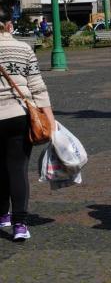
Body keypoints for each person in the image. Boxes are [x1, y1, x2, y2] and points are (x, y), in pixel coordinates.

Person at [0, 19, 55, 241]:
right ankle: (20, 224)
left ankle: (2, 214)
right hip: (19, 114)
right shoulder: (23, 48)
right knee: (18, 168)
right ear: (9, 25)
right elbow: (37, 86)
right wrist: (50, 120)